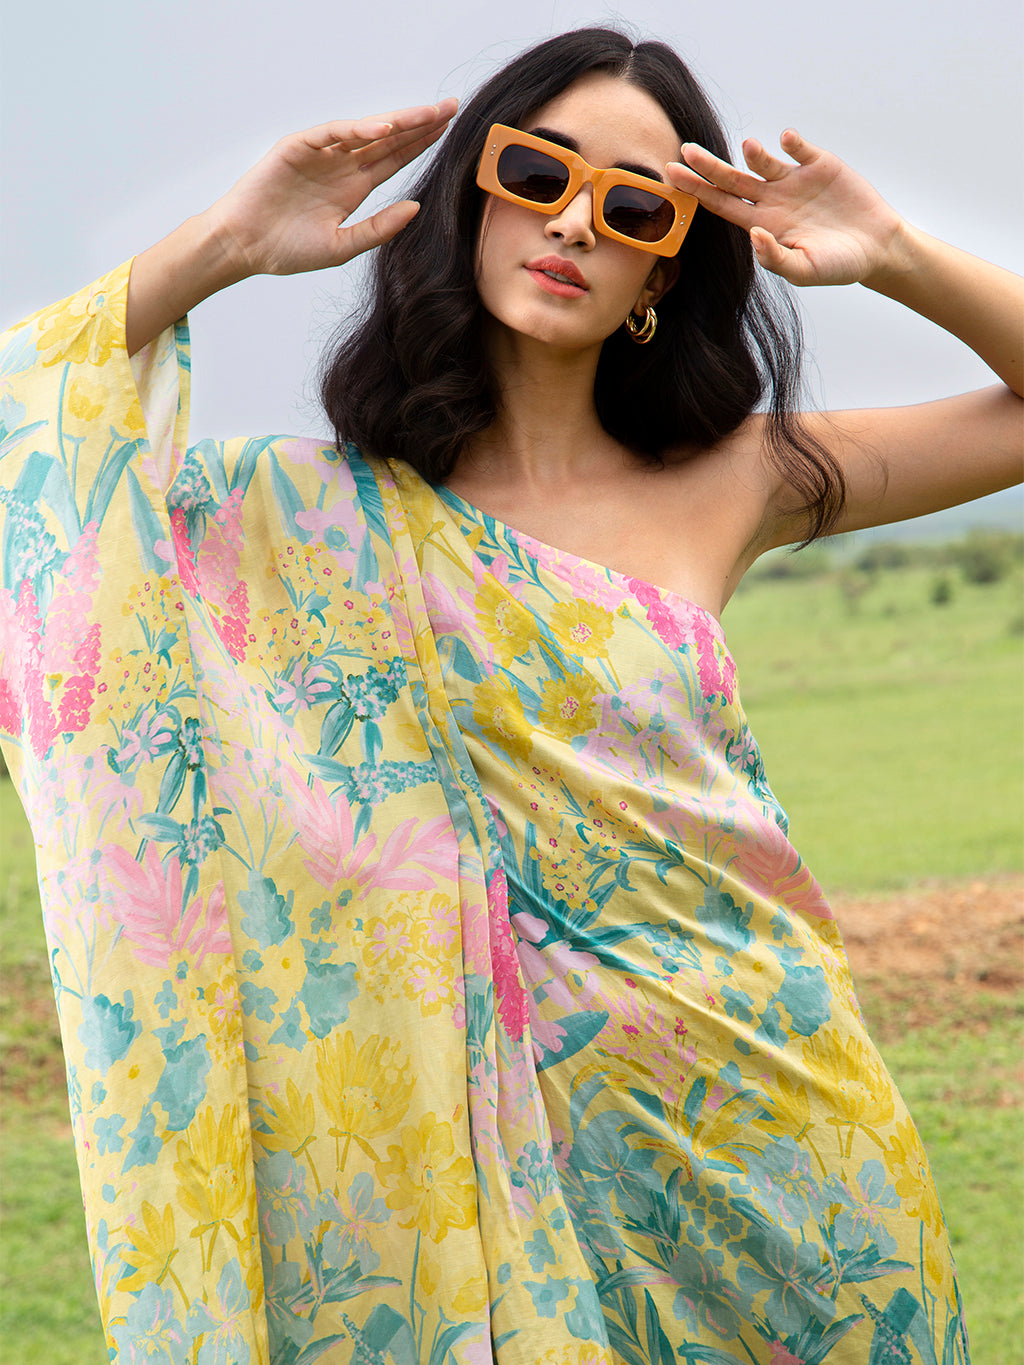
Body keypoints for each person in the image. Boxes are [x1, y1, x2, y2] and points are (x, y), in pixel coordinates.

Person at [0, 25, 1019, 1364]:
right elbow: (36, 462)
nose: (577, 222)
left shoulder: (735, 478)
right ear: (472, 197)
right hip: (454, 1161)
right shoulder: (292, 517)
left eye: (635, 206)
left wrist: (894, 252)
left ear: (665, 265)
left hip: (775, 1128)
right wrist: (224, 244)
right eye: (539, 174)